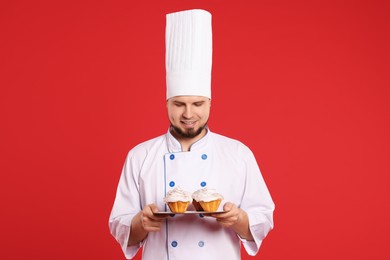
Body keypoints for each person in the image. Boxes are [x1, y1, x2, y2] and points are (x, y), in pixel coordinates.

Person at [109, 9, 275, 260]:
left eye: (197, 104)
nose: (188, 114)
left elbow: (262, 220)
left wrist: (239, 219)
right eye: (179, 104)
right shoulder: (140, 155)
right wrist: (140, 223)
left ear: (210, 103)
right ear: (166, 103)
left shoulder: (238, 154)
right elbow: (120, 226)